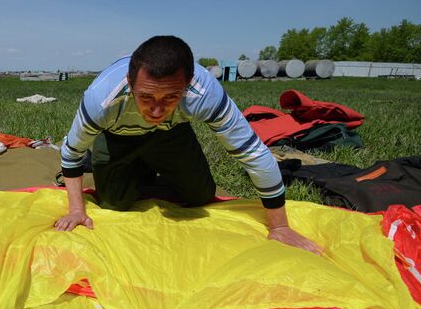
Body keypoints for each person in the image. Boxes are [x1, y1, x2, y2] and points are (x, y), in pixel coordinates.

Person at [54, 35, 324, 255]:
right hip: (117, 135)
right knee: (114, 203)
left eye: (171, 97)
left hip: (171, 135)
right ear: (129, 83)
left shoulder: (205, 93)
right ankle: (134, 168)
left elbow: (253, 153)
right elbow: (72, 152)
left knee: (200, 197)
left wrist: (279, 227)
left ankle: (147, 166)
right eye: (146, 97)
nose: (156, 110)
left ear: (188, 84)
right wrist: (77, 210)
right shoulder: (102, 99)